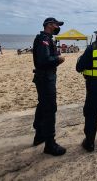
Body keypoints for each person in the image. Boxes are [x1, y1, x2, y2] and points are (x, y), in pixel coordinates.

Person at [32, 17, 66, 156]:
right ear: (50, 25)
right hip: (46, 78)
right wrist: (58, 59)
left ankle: (39, 135)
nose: (58, 27)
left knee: (43, 105)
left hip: (45, 77)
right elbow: (43, 60)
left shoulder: (47, 38)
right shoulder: (44, 39)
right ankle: (50, 144)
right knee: (50, 108)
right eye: (57, 25)